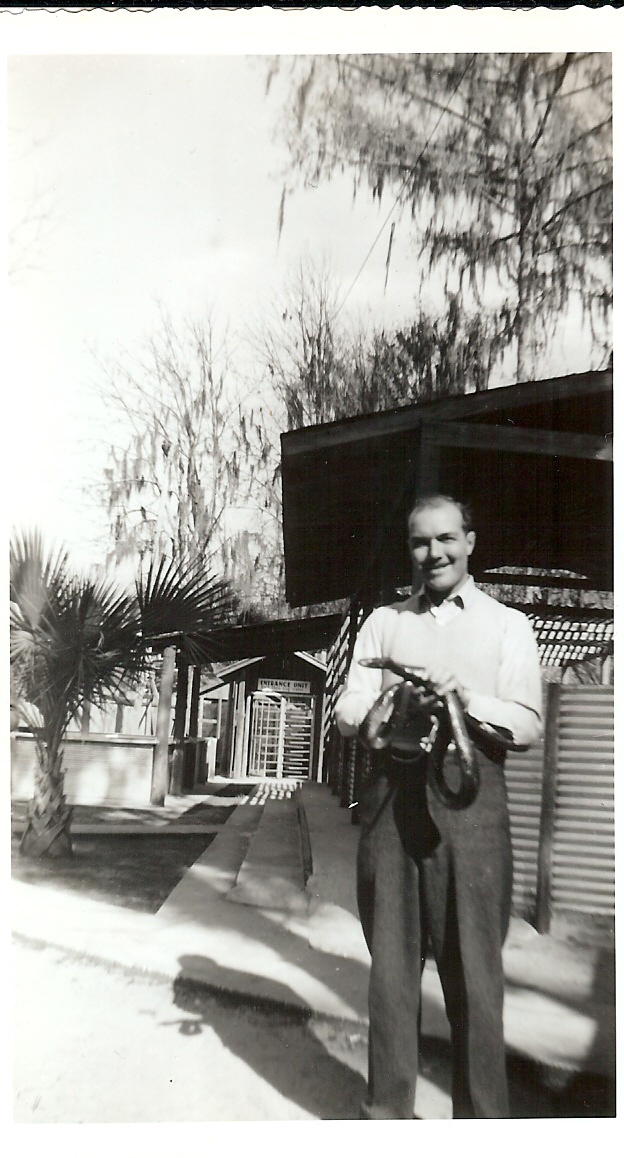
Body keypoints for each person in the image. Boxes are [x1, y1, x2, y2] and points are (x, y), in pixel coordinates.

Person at [335, 494, 542, 1119]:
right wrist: (392, 705)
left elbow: (528, 723)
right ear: (411, 549)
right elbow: (347, 714)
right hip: (391, 800)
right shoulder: (383, 622)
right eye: (422, 542)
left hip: (472, 805)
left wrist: (466, 698)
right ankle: (388, 1117)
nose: (435, 553)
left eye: (447, 539)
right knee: (391, 974)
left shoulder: (509, 625)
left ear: (470, 541)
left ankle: (480, 1126)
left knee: (476, 975)